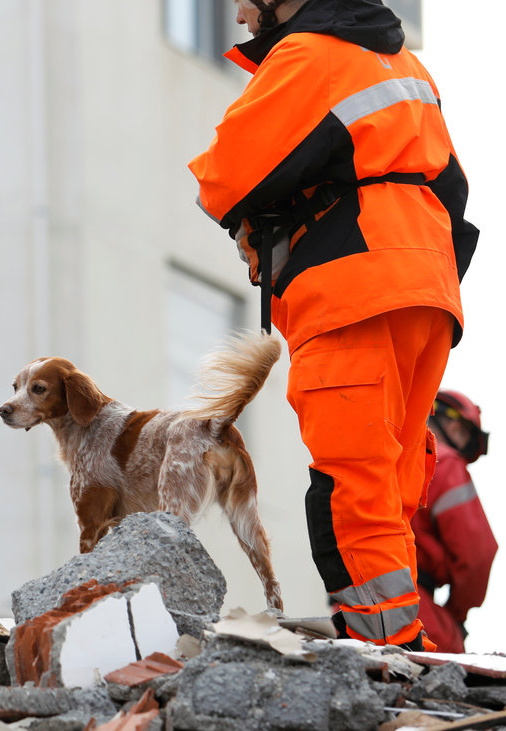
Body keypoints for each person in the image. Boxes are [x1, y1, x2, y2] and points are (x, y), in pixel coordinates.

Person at [189, 0, 477, 650]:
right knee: (392, 485)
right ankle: (406, 645)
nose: (238, 15)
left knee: (350, 487)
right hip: (426, 289)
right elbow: (454, 190)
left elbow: (222, 178)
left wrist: (272, 223)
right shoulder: (402, 62)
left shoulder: (306, 55)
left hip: (353, 285)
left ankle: (386, 661)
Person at [413, 390, 497, 653]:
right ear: (452, 423)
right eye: (464, 435)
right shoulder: (445, 462)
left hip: (351, 601)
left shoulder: (388, 452)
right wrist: (457, 613)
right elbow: (477, 556)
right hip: (411, 605)